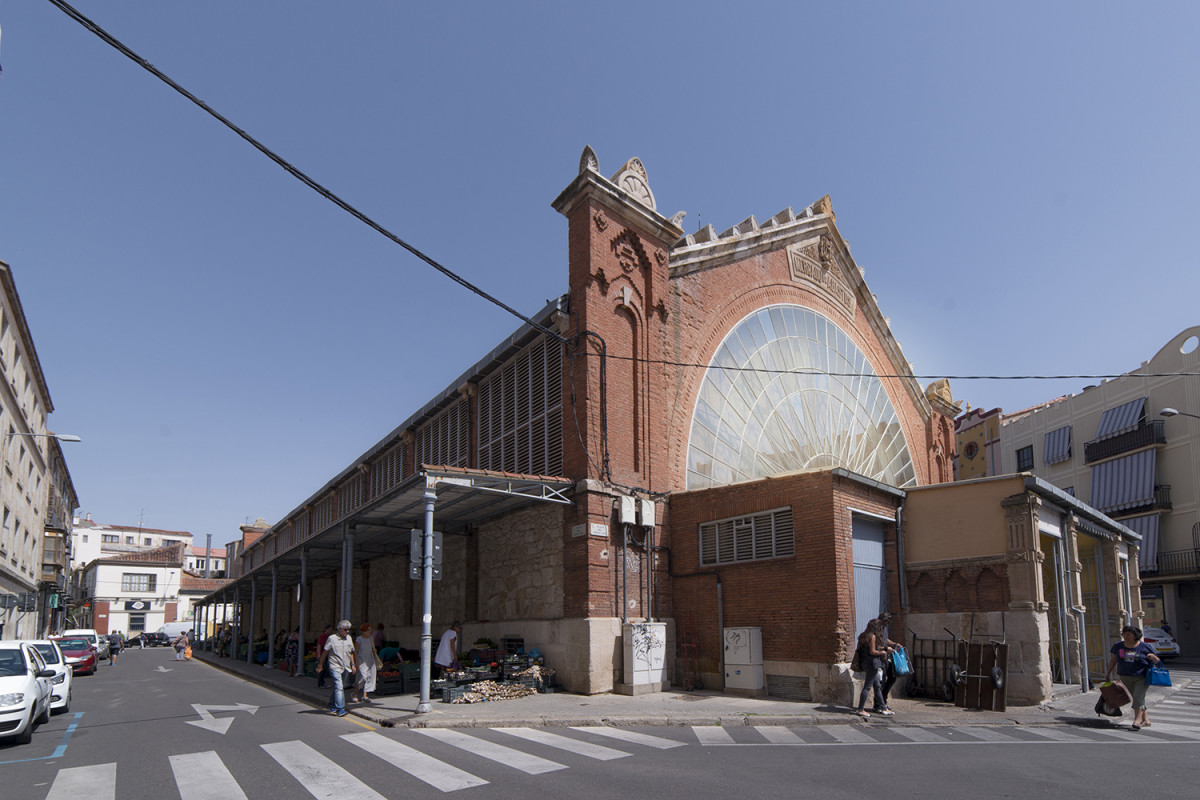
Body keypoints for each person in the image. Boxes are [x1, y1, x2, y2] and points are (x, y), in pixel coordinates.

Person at [1104, 624, 1162, 730]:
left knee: (1137, 696)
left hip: (1143, 676)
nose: (1126, 636)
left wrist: (1153, 657)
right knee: (1138, 698)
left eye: (1129, 634)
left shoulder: (1145, 646)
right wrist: (1108, 673)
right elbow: (1113, 660)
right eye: (1124, 634)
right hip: (1125, 676)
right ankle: (1146, 719)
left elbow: (1157, 661)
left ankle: (1136, 721)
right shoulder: (1118, 646)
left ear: (1136, 635)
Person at [853, 619, 895, 719]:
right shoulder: (872, 637)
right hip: (872, 664)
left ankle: (883, 707)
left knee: (877, 686)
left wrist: (882, 649)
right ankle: (860, 709)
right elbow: (872, 651)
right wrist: (883, 653)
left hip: (866, 663)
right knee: (868, 686)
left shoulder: (863, 636)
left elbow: (861, 649)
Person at [316, 620, 356, 716]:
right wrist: (320, 665)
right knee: (339, 687)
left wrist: (353, 665)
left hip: (346, 666)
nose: (347, 632)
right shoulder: (332, 638)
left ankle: (331, 705)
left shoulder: (349, 638)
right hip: (335, 666)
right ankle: (340, 708)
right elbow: (325, 652)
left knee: (338, 687)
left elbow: (351, 652)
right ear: (340, 629)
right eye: (346, 630)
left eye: (348, 630)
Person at [874, 612, 902, 713]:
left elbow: (885, 640)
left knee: (892, 677)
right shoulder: (876, 629)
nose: (886, 625)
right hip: (879, 658)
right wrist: (886, 648)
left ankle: (883, 701)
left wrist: (894, 644)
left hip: (886, 657)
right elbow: (876, 646)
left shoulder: (883, 629)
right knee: (880, 682)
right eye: (885, 623)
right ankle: (878, 704)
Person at [354, 623, 378, 703]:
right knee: (361, 678)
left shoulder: (370, 638)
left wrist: (374, 651)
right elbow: (355, 651)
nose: (370, 632)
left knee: (368, 677)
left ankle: (364, 696)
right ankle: (355, 694)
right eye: (368, 630)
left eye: (371, 630)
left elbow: (372, 648)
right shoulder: (359, 639)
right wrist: (356, 662)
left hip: (369, 660)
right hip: (361, 660)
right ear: (363, 631)